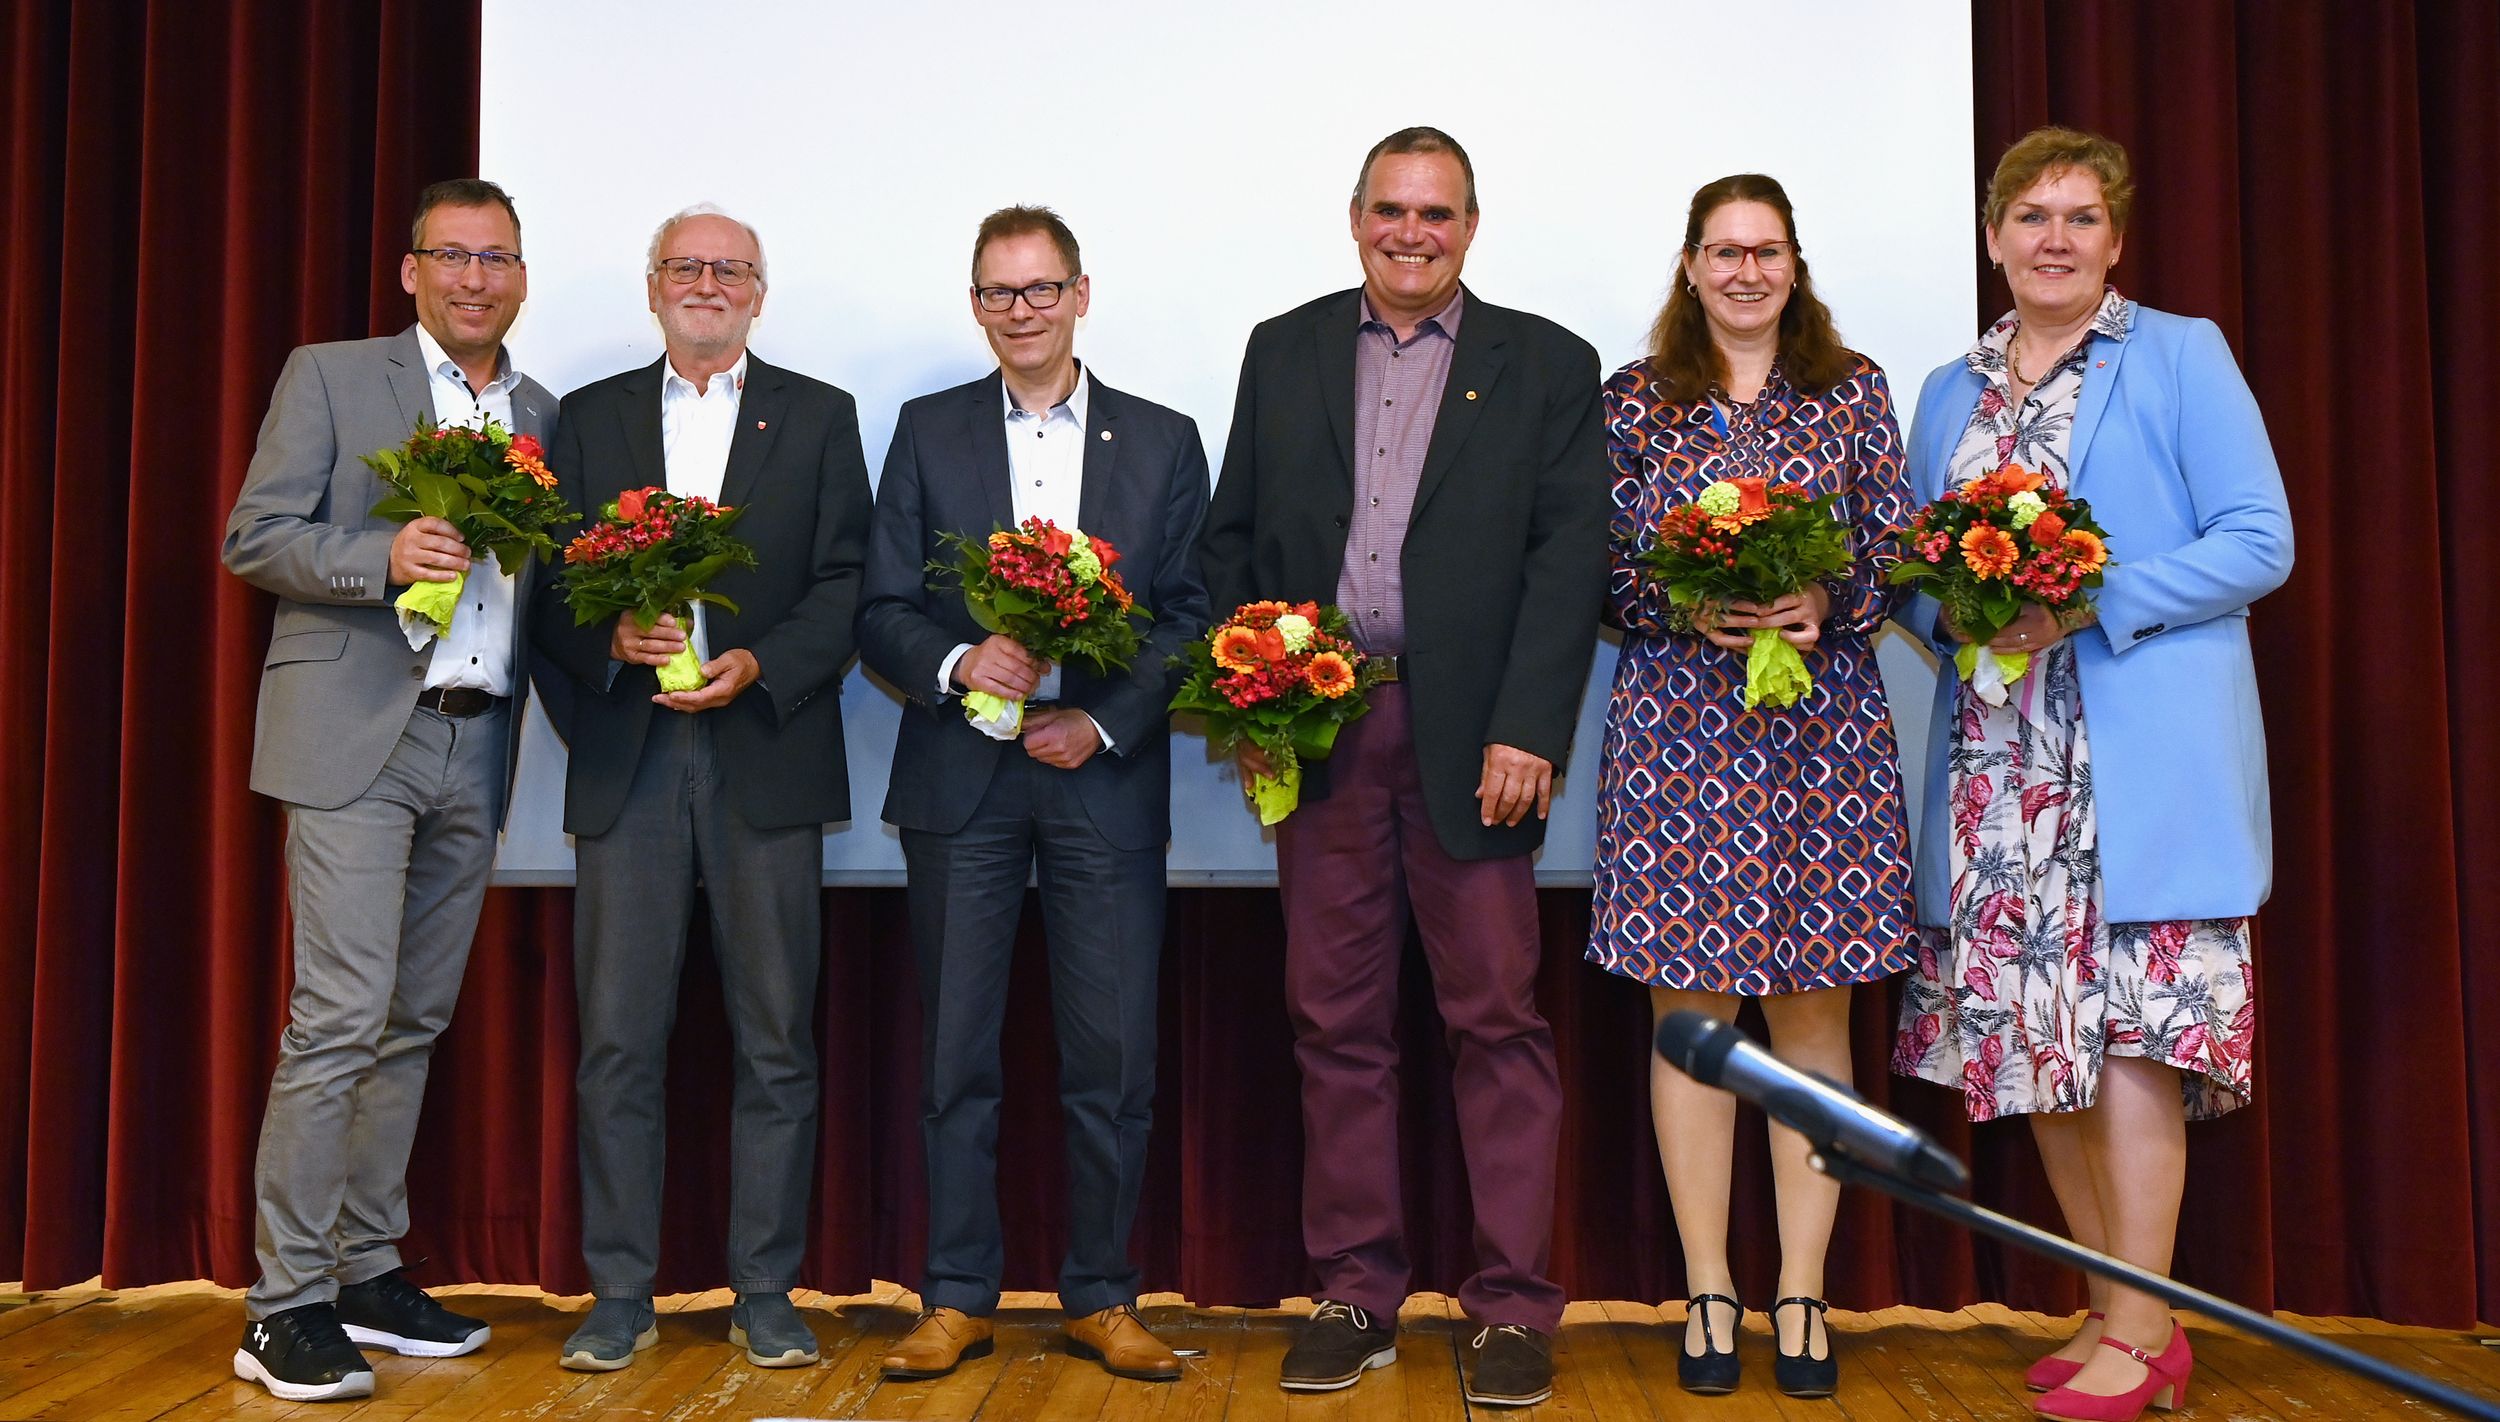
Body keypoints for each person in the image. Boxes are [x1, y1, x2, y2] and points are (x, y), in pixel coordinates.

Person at [1199, 126, 1608, 1408]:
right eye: (1391, 209)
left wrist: (1530, 726)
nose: (1411, 233)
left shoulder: (1546, 363)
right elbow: (1231, 536)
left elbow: (1567, 560)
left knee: (1495, 1019)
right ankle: (1356, 1291)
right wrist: (1253, 689)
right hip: (1323, 733)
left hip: (1478, 742)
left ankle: (1513, 1308)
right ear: (1356, 218)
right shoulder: (1283, 348)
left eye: (1436, 213)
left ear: (1470, 227)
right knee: (1334, 1022)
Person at [1889, 127, 2292, 1422]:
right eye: (2031, 216)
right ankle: (2125, 1314)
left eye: (2078, 218)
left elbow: (2259, 538)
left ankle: (2143, 1324)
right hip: (1995, 770)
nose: (2052, 239)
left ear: (2115, 240)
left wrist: (2087, 600)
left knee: (2127, 1050)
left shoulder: (2178, 354)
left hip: (2139, 769)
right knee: (2034, 1053)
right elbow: (1914, 574)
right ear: (1993, 237)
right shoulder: (1948, 390)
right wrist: (1968, 610)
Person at [856, 205, 1211, 1383]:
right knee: (955, 1058)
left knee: (1113, 1063)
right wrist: (963, 662)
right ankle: (955, 1299)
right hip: (961, 780)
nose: (1022, 311)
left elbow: (1190, 617)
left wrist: (1098, 720)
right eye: (1000, 292)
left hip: (1098, 780)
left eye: (1041, 289)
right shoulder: (927, 431)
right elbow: (880, 610)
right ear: (976, 306)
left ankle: (1102, 1296)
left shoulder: (1162, 441)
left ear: (1079, 295)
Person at [220, 178, 554, 1402]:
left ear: (521, 277)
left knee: (411, 1020)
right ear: (412, 271)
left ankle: (364, 1269)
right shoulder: (331, 375)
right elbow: (255, 536)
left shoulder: (541, 413)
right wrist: (382, 553)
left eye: (496, 258)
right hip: (358, 739)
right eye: (452, 256)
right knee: (340, 1018)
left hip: (481, 739)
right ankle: (284, 1304)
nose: (475, 278)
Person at [1589, 173, 1916, 1399]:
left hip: (1824, 740)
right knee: (1694, 1022)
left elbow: (1893, 549)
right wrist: (1684, 602)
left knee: (1814, 1025)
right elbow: (1601, 569)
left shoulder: (1852, 389)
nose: (1744, 272)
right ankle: (1709, 1289)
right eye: (1722, 251)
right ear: (1689, 265)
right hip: (1679, 740)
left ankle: (1803, 1294)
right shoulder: (1634, 401)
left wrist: (1831, 596)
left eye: (1764, 250)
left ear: (1794, 263)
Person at [530, 205, 871, 1373]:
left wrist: (761, 663)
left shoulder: (820, 416)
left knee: (775, 1041)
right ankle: (621, 1294)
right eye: (686, 265)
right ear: (652, 285)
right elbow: (542, 586)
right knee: (618, 1044)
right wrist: (607, 640)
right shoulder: (589, 419)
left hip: (763, 756)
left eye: (730, 269)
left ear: (759, 292)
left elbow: (846, 581)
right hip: (629, 764)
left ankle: (764, 1292)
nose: (707, 283)